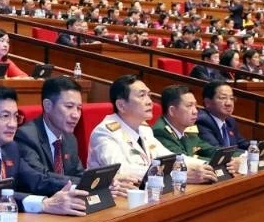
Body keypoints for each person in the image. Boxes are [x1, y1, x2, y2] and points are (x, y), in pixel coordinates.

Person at [0, 85, 90, 221]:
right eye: (5, 116)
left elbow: (37, 180)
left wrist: (82, 186)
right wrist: (44, 204)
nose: (13, 124)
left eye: (15, 116)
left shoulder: (11, 148)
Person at [87, 75, 217, 183]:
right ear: (121, 105)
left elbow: (169, 157)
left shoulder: (144, 128)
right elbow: (122, 170)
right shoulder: (105, 132)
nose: (149, 101)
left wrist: (205, 166)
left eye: (149, 95)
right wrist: (179, 174)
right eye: (142, 95)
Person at [195, 81, 264, 163]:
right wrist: (259, 154)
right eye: (223, 98)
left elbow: (243, 144)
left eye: (231, 98)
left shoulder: (229, 121)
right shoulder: (202, 121)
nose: (229, 103)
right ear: (207, 102)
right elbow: (219, 151)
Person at [152, 85, 222, 162]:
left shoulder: (188, 130)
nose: (195, 111)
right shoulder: (160, 132)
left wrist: (233, 157)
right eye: (189, 106)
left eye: (195, 106)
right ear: (172, 111)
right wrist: (218, 162)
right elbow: (183, 160)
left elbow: (209, 150)